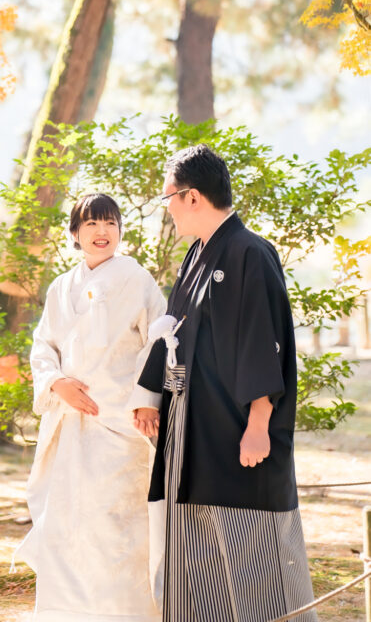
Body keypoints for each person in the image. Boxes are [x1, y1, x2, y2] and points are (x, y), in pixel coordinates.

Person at [133, 144, 317, 622]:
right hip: (192, 431)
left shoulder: (249, 253)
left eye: (168, 197)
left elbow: (263, 340)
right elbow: (171, 330)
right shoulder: (196, 256)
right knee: (196, 561)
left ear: (192, 197)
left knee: (252, 559)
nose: (167, 208)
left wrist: (259, 423)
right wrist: (150, 396)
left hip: (235, 434)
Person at [15, 192, 166, 622]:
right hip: (71, 424)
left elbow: (159, 340)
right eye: (92, 224)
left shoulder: (137, 279)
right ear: (75, 233)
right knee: (68, 525)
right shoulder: (61, 287)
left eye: (111, 223)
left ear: (120, 230)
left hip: (122, 421)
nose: (103, 232)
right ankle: (68, 613)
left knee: (119, 526)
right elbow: (43, 346)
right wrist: (57, 382)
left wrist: (147, 399)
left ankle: (127, 614)